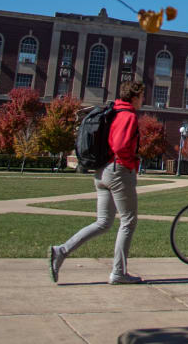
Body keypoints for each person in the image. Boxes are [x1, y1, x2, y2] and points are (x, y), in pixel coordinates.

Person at [48, 80, 145, 285]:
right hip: (119, 171)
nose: (143, 100)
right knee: (128, 221)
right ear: (135, 96)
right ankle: (118, 273)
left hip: (101, 172)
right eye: (142, 96)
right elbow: (120, 145)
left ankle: (61, 251)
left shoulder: (112, 112)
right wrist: (131, 163)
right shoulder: (128, 116)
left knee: (103, 223)